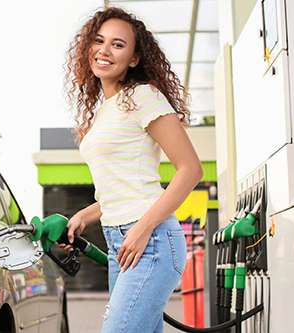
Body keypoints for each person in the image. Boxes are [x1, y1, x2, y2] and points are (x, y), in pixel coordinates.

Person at [59, 7, 203, 333]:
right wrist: (85, 215)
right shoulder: (104, 111)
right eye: (99, 41)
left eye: (118, 44)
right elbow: (125, 186)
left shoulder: (142, 96)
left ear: (135, 58)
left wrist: (142, 229)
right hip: (118, 242)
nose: (104, 50)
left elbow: (190, 170)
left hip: (149, 241)